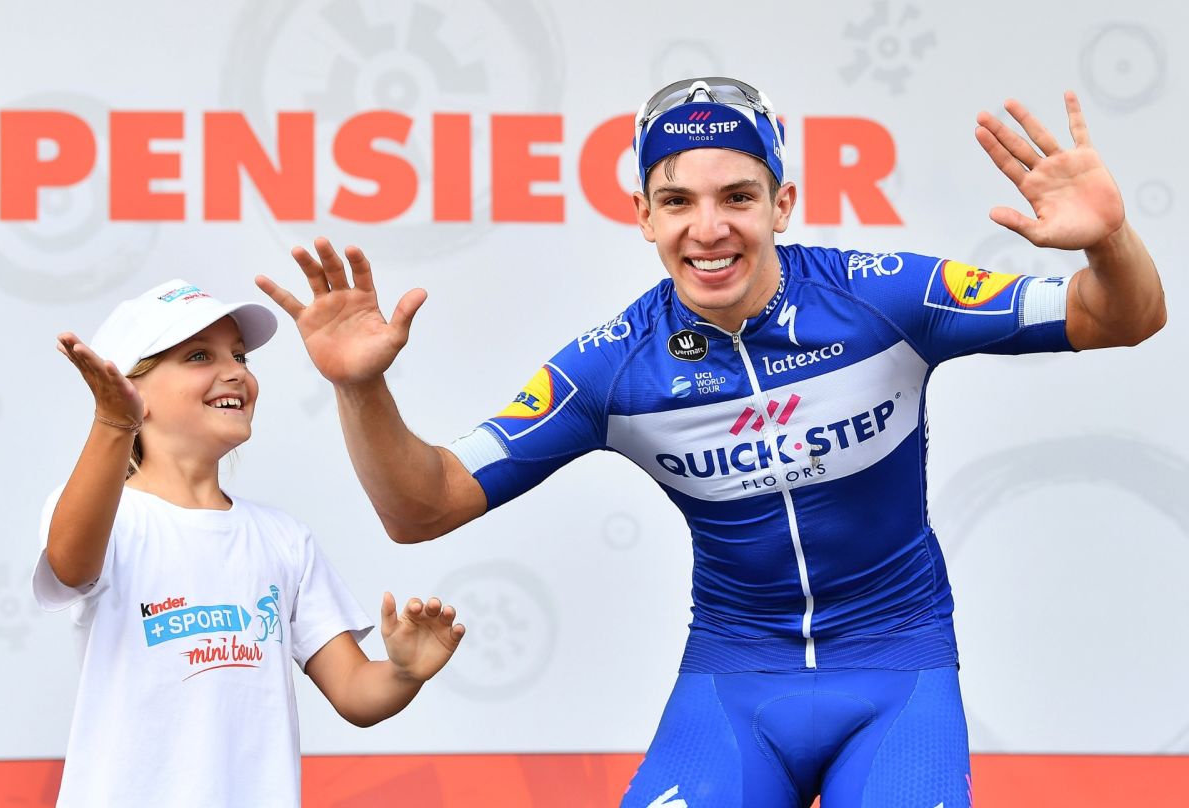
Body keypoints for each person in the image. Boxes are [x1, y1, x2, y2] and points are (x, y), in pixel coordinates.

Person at [256, 77, 1165, 807]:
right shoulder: (616, 366)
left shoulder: (884, 297)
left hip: (898, 670)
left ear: (782, 202)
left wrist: (1110, 241)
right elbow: (423, 507)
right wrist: (359, 387)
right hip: (734, 683)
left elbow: (1120, 317)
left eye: (738, 196)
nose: (709, 228)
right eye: (677, 201)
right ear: (644, 216)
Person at [32, 279, 466, 808]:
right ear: (126, 386)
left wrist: (403, 672)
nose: (236, 371)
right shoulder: (106, 517)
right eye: (198, 355)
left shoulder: (283, 539)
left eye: (239, 355)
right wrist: (112, 424)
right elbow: (71, 563)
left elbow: (355, 692)